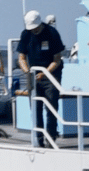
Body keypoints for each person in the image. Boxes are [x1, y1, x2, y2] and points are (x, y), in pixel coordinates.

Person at [16, 10, 65, 147]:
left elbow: (57, 59)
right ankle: (38, 139)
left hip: (51, 74)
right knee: (35, 108)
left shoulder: (52, 33)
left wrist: (45, 73)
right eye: (32, 28)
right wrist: (27, 72)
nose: (34, 30)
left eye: (36, 28)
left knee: (51, 107)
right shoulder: (26, 34)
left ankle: (51, 139)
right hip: (33, 75)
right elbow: (21, 57)